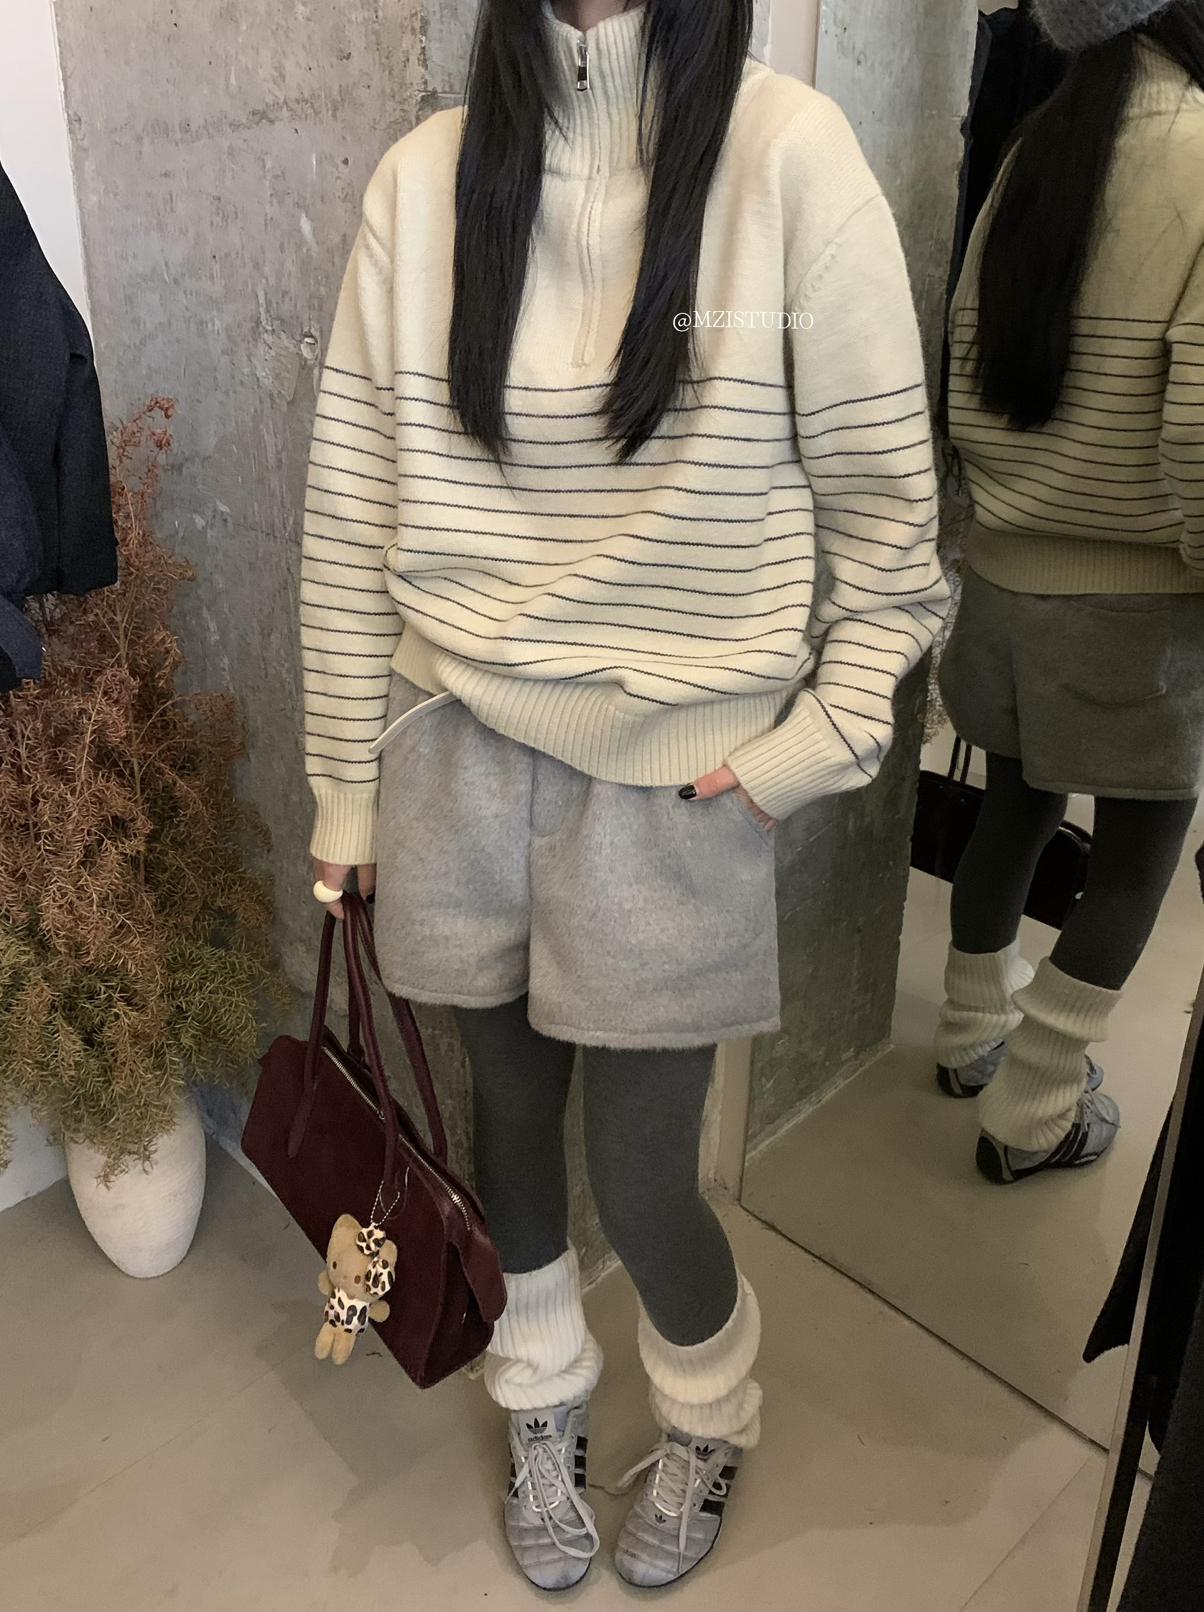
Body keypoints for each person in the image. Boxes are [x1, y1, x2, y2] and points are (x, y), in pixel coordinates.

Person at [300, 0, 946, 1590]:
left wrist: (808, 747)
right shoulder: (425, 181)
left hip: (677, 781)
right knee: (510, 1128)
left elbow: (893, 538)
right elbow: (351, 511)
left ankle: (711, 1409)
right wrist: (347, 792)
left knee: (650, 1179)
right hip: (453, 748)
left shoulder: (791, 161)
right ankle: (543, 1397)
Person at [936, 0, 1204, 1185]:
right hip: (1136, 600)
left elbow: (963, 360)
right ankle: (1035, 1107)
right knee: (1137, 859)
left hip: (1002, 574)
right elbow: (1198, 421)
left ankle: (967, 1038)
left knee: (1015, 808)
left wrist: (999, 513)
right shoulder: (1200, 148)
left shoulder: (1033, 150)